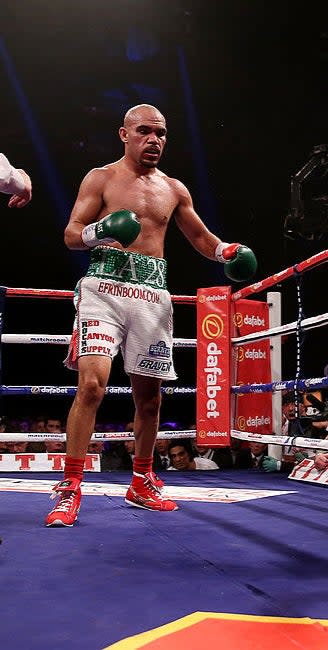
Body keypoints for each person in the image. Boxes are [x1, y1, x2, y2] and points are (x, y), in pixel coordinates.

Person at [45, 104, 257, 527]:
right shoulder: (101, 177)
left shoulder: (174, 189)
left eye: (160, 133)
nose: (154, 140)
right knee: (91, 385)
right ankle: (70, 487)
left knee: (150, 398)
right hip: (103, 288)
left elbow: (198, 234)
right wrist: (100, 231)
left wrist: (224, 252)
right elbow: (71, 234)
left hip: (152, 295)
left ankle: (142, 480)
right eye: (144, 131)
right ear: (123, 134)